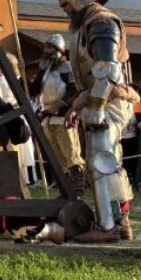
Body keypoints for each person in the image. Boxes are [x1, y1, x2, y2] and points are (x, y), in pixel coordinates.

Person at [53, 0, 137, 242]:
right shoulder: (87, 24)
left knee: (100, 161)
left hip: (110, 99)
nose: (66, 11)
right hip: (100, 98)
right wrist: (77, 105)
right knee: (109, 161)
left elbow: (108, 70)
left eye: (67, 5)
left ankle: (108, 227)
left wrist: (97, 105)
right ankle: (121, 223)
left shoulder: (101, 21)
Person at [29, 34, 84, 190]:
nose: (46, 51)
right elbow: (33, 90)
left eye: (50, 48)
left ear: (60, 51)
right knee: (57, 159)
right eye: (46, 48)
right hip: (47, 118)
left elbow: (76, 91)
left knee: (71, 154)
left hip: (63, 117)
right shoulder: (45, 71)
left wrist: (59, 105)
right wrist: (19, 74)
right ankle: (66, 190)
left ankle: (77, 189)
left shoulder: (68, 68)